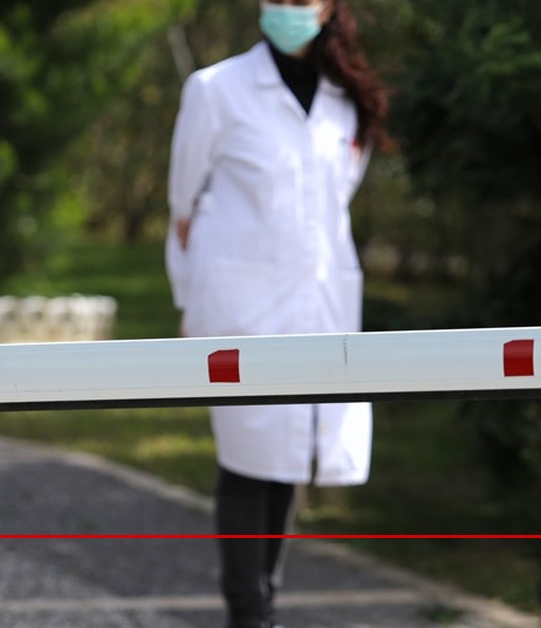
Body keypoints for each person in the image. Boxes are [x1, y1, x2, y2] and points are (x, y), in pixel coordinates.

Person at [164, 1, 389, 626]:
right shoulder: (215, 89)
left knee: (288, 454)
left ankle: (266, 601)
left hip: (317, 301)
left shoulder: (345, 100)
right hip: (238, 304)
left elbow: (337, 197)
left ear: (328, 7)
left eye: (302, 0)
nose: (289, 9)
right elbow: (184, 207)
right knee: (247, 455)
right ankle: (249, 610)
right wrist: (189, 301)